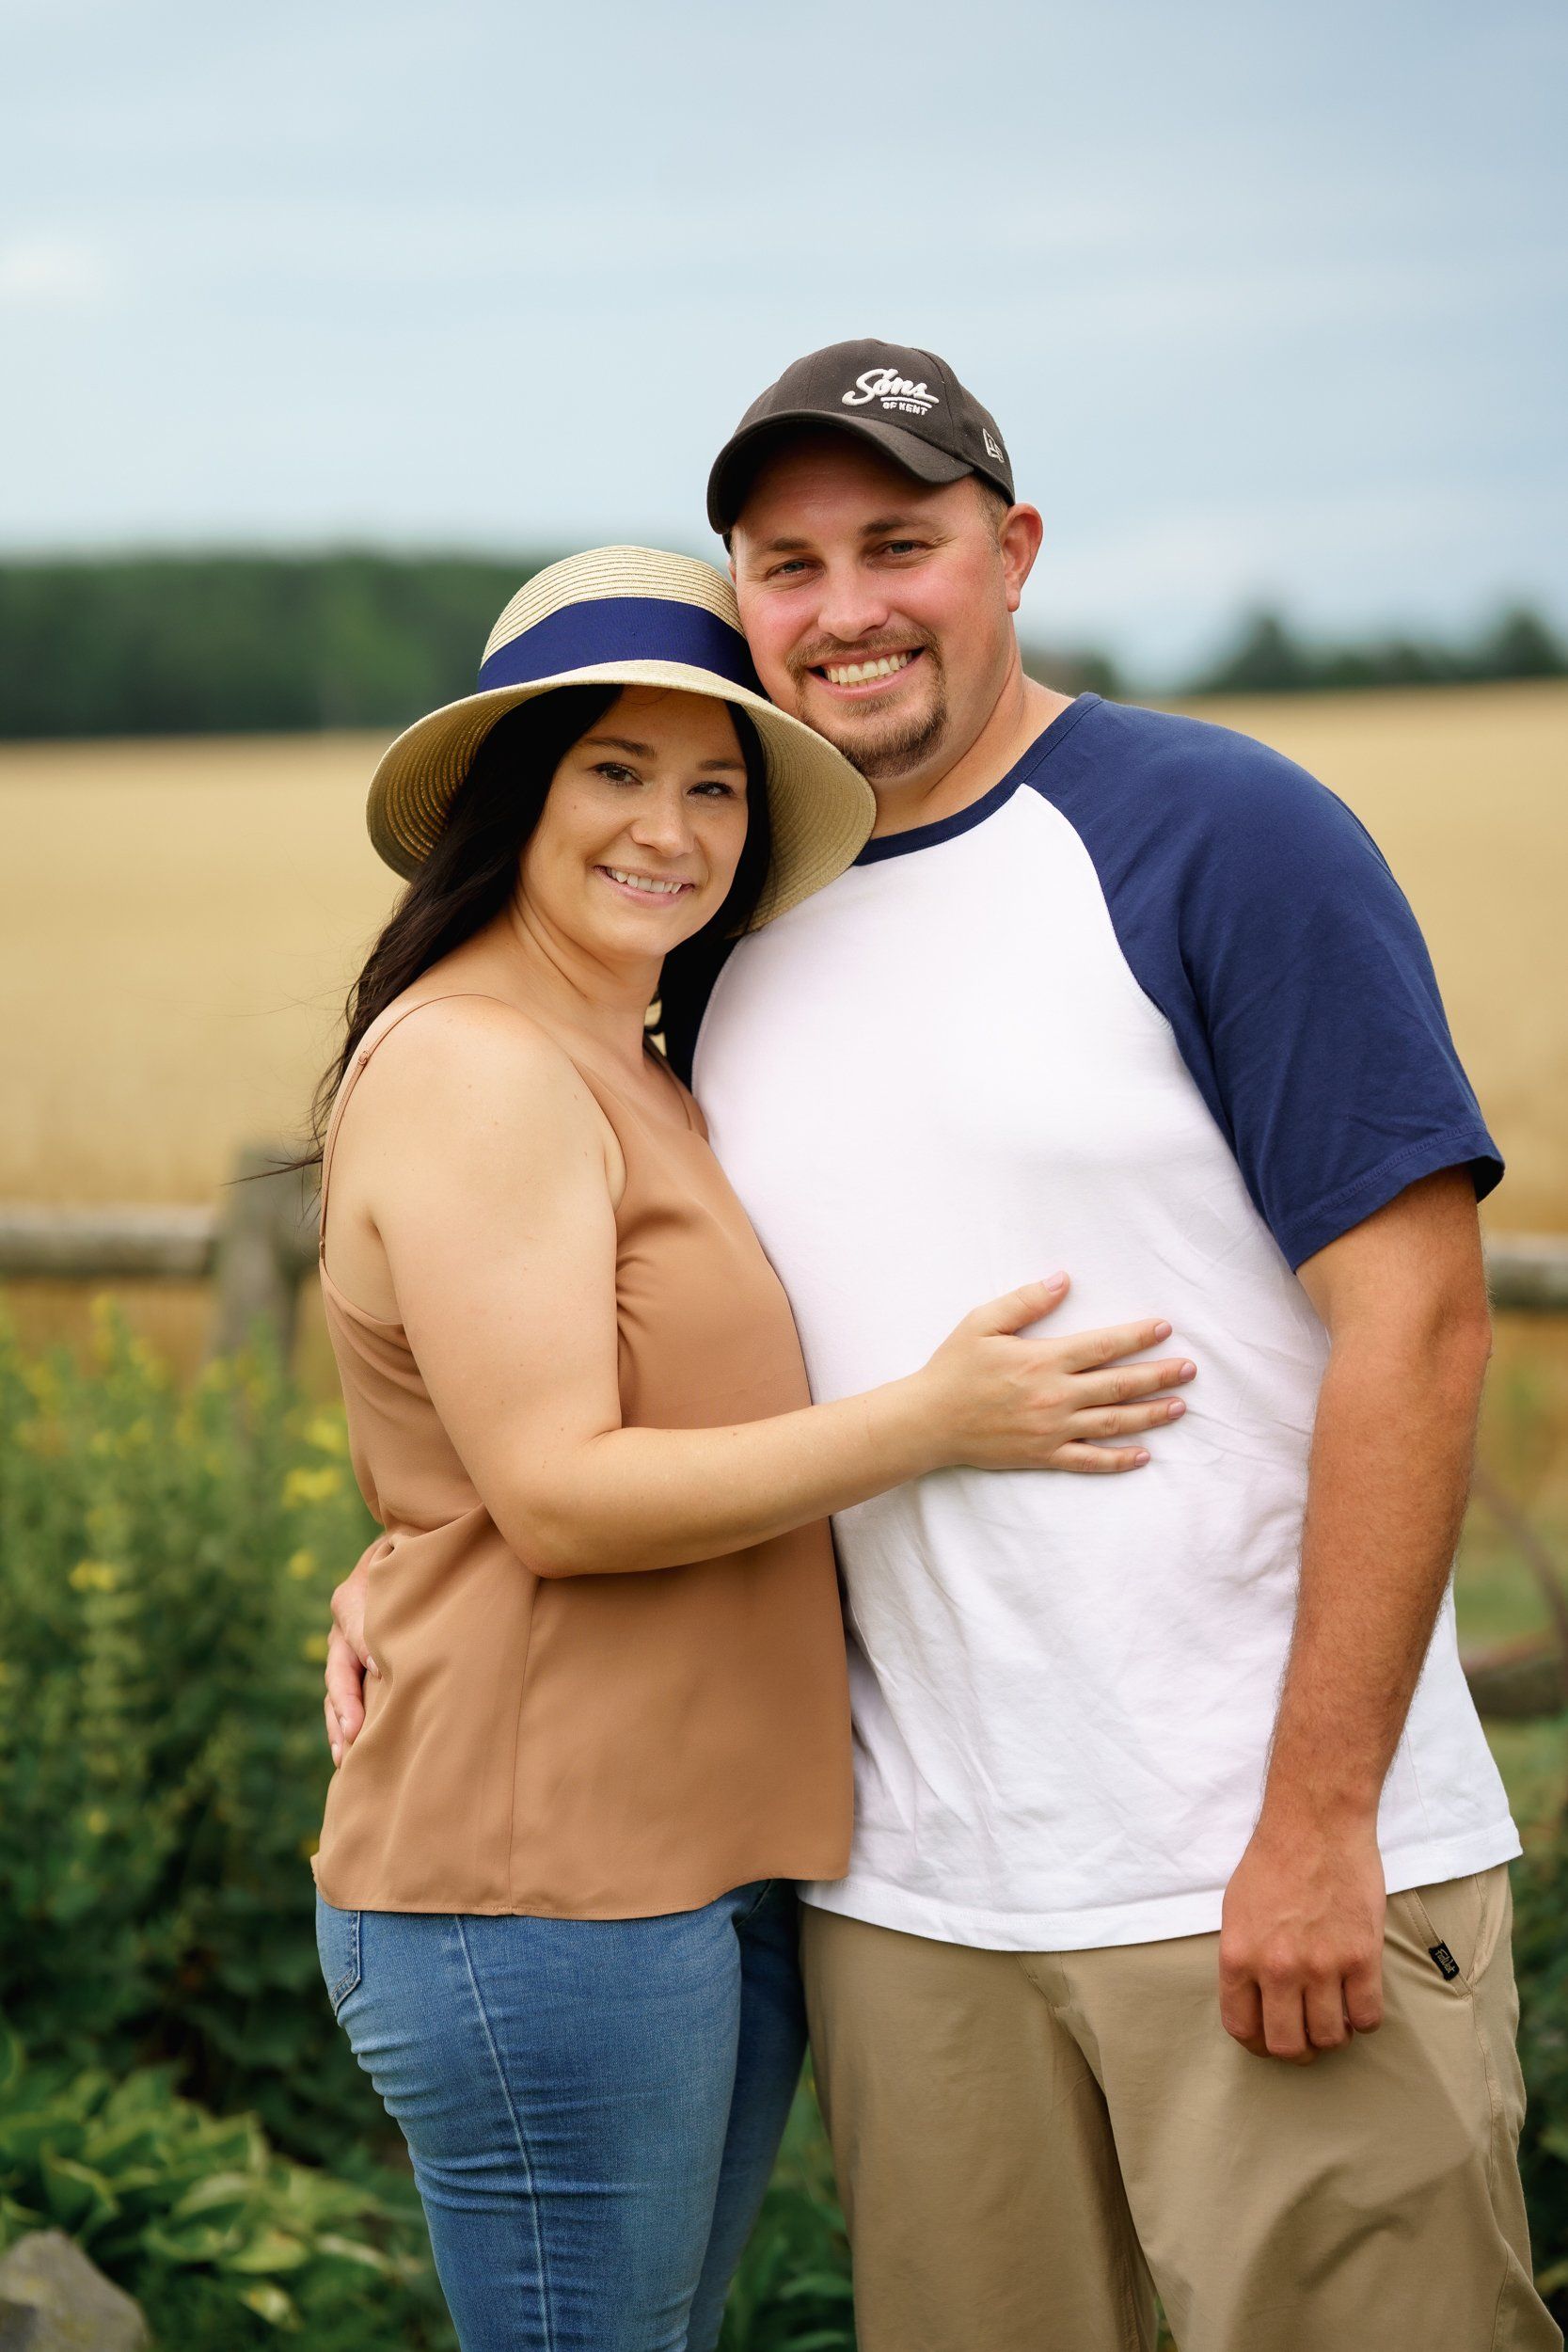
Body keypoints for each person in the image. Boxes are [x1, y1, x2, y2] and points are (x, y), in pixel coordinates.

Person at [326, 353, 1559, 2348]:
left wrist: (1323, 1818)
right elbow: (581, 1345)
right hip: (906, 1907)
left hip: (1243, 1866)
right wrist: (411, 1558)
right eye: (790, 563)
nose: (851, 605)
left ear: (1015, 551)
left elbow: (1414, 1323)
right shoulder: (727, 925)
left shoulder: (1218, 832)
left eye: (902, 542)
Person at [306, 541, 1197, 2352]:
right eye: (616, 772)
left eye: (717, 784)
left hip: (693, 1857)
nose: (675, 829)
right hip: (547, 1882)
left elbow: (500, 1441)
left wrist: (404, 1552)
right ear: (509, 792)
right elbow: (553, 1493)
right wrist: (930, 1425)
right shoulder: (482, 1062)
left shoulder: (629, 1046)